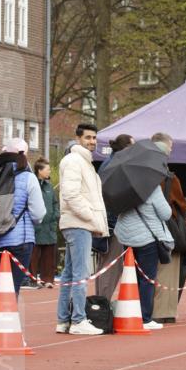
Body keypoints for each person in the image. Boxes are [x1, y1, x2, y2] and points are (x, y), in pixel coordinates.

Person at [56, 124, 108, 335]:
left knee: (69, 273)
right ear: (78, 139)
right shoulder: (74, 161)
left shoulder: (85, 163)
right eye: (88, 137)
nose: (92, 141)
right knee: (80, 273)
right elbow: (70, 194)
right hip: (78, 223)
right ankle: (78, 320)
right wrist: (90, 215)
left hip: (77, 223)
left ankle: (63, 320)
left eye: (94, 137)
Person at [114, 179, 174, 331]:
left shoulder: (122, 188)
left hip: (126, 237)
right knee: (147, 279)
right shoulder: (151, 187)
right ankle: (145, 317)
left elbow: (115, 209)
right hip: (147, 238)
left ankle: (129, 313)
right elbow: (166, 214)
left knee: (131, 278)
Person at [0, 138, 45, 295]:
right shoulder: (28, 178)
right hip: (20, 240)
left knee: (2, 287)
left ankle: (1, 317)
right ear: (24, 155)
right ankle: (8, 318)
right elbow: (38, 213)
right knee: (13, 289)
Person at [150, 132, 186, 324]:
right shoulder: (168, 176)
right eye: (171, 147)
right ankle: (164, 312)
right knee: (170, 271)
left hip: (147, 230)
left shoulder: (144, 172)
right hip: (168, 229)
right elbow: (180, 204)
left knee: (153, 273)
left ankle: (154, 311)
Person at [94, 133, 134, 301]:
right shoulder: (117, 166)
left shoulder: (108, 163)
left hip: (107, 220)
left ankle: (102, 300)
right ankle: (102, 302)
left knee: (106, 264)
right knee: (111, 265)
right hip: (112, 222)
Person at [31, 157, 59, 287]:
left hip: (49, 227)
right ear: (39, 170)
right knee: (34, 255)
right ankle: (32, 279)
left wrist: (55, 216)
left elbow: (55, 203)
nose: (49, 172)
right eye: (47, 169)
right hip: (36, 227)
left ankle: (48, 280)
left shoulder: (49, 187)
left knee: (49, 255)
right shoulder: (32, 184)